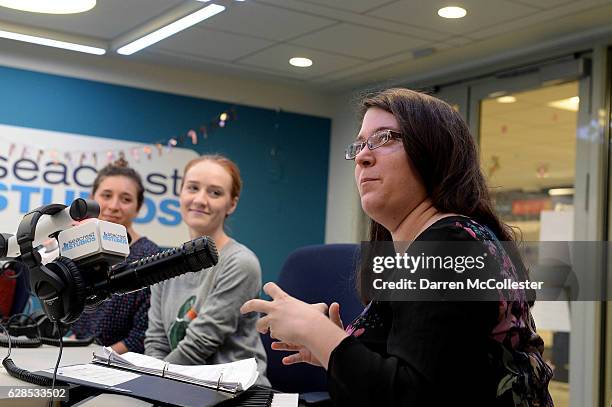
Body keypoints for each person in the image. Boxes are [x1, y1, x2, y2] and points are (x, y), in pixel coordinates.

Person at [241, 88, 553, 406]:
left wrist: (321, 335)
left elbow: (412, 397)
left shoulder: (449, 246)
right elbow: (427, 371)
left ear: (434, 151)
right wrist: (330, 351)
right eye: (360, 144)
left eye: (386, 137)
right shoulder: (441, 241)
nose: (363, 156)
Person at [145, 155, 268, 384]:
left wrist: (154, 383)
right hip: (178, 384)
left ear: (231, 204)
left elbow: (199, 345)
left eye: (215, 193)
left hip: (233, 390)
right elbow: (156, 341)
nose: (200, 200)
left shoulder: (240, 263)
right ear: (180, 193)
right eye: (192, 188)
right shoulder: (165, 264)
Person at [71, 158, 159, 354]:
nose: (113, 206)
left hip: (117, 368)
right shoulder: (79, 249)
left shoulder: (149, 255)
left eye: (126, 199)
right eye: (106, 195)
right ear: (92, 198)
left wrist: (90, 359)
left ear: (138, 207)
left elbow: (141, 338)